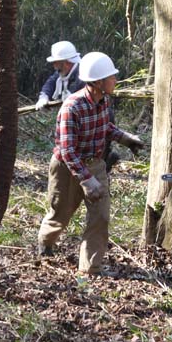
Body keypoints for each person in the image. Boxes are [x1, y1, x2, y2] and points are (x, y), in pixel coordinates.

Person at [37, 52, 144, 275]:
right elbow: (67, 150)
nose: (115, 80)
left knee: (100, 216)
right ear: (97, 82)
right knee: (61, 213)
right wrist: (85, 179)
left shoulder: (104, 101)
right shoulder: (71, 107)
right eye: (111, 77)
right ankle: (45, 243)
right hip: (67, 168)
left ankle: (90, 268)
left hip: (95, 163)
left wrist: (125, 138)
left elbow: (105, 127)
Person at [35, 41, 120, 170]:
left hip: (99, 117)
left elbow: (85, 96)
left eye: (56, 62)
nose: (54, 66)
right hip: (81, 120)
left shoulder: (85, 72)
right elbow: (51, 82)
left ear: (67, 62)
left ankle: (102, 166)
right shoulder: (63, 72)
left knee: (97, 148)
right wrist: (44, 96)